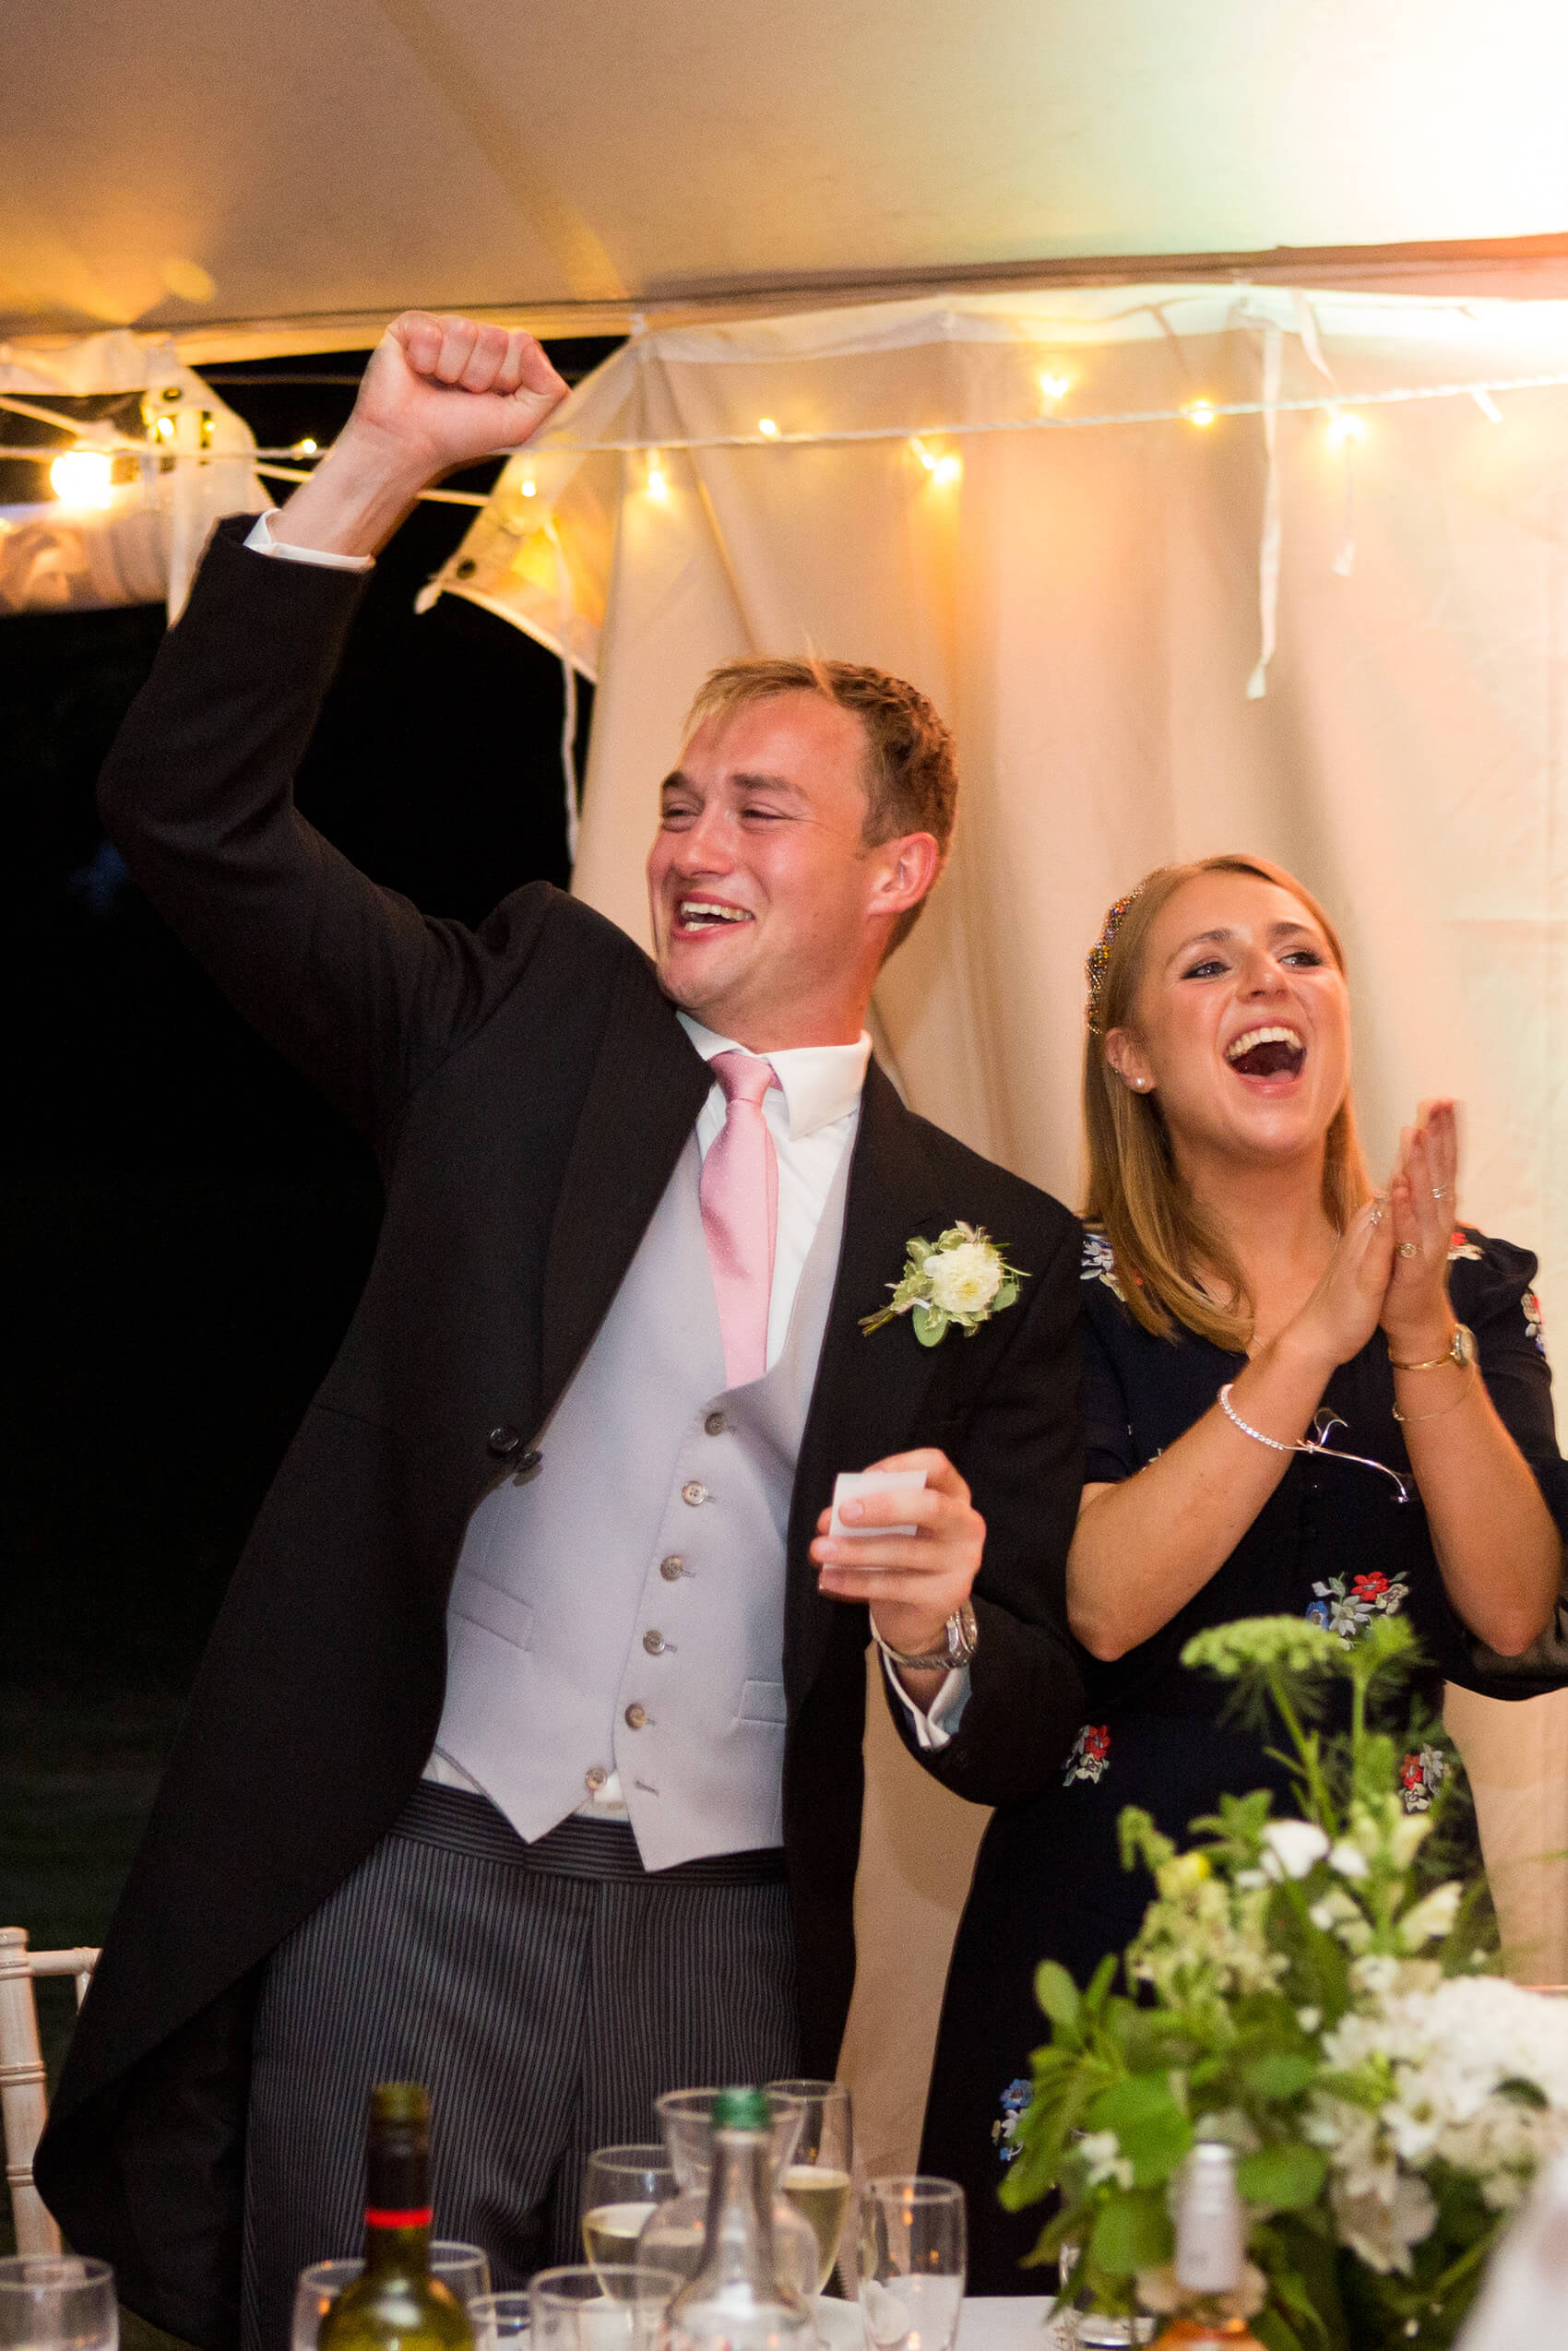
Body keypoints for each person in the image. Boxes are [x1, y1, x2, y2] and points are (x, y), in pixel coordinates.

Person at [34, 314, 1087, 2351]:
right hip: (411, 1886)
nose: (692, 848)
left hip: (727, 1957)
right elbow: (192, 815)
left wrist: (945, 1622)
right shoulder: (513, 1026)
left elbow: (1025, 1717)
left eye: (761, 815)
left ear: (901, 868)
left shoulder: (991, 1241)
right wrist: (375, 458)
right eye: (681, 802)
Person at [920, 851, 1568, 2292]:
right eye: (1207, 964)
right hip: (1108, 1936)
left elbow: (1516, 1609)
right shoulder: (1058, 1292)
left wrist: (1411, 1334)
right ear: (1132, 1056)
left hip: (1383, 1939)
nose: (1267, 982)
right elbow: (1097, 1596)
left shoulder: (1469, 1282)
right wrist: (1305, 1340)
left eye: (1299, 954)